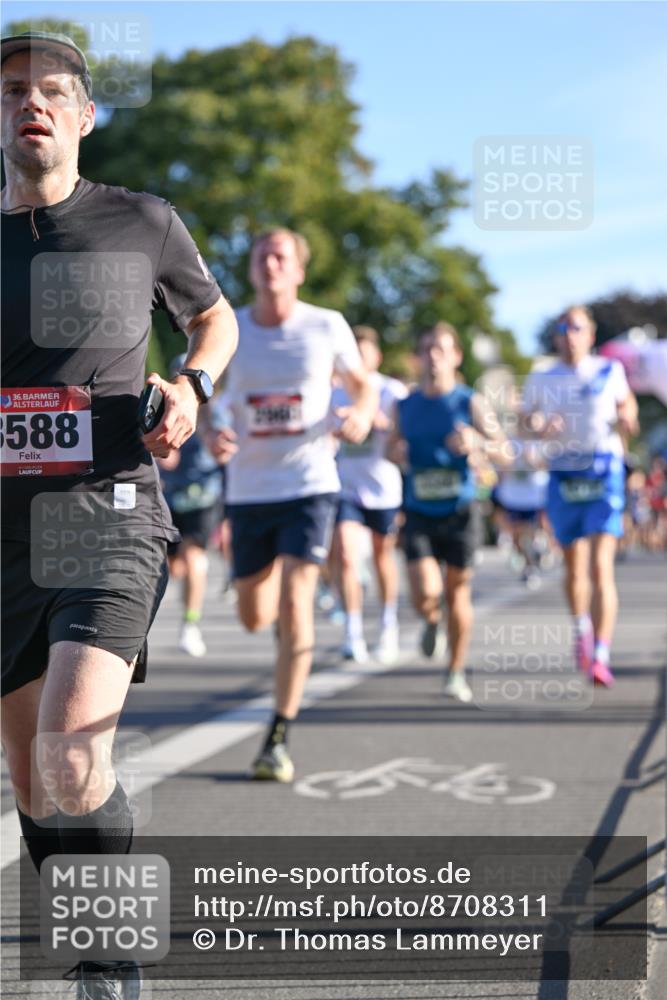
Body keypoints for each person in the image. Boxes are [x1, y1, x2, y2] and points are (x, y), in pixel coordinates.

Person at [0, 31, 238, 996]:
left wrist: (191, 386)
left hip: (110, 508)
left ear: (86, 117)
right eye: (14, 89)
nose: (33, 101)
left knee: (67, 747)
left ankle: (114, 964)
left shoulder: (141, 221)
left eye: (54, 89)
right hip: (5, 538)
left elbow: (213, 318)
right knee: (35, 783)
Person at [208, 227, 376, 782]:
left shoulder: (326, 325)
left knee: (299, 603)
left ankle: (278, 735)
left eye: (281, 256)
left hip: (310, 484)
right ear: (252, 269)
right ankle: (272, 603)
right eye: (261, 255)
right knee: (257, 616)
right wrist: (213, 431)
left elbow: (362, 384)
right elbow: (205, 395)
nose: (271, 263)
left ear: (299, 270)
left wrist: (359, 414)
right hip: (249, 490)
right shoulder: (230, 326)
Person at [388, 322, 509, 702]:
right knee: (425, 591)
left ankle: (455, 671)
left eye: (441, 348)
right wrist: (397, 452)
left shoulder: (470, 401)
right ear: (418, 357)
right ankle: (430, 619)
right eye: (427, 349)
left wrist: (477, 442)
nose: (433, 356)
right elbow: (389, 448)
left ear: (456, 356)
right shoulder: (404, 405)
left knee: (458, 593)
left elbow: (505, 451)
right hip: (419, 509)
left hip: (461, 509)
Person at [522, 305, 639, 687]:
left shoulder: (609, 370)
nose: (569, 334)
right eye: (562, 328)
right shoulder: (542, 377)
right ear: (556, 336)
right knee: (574, 567)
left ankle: (601, 653)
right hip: (564, 474)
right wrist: (539, 425)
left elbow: (627, 405)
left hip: (603, 471)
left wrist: (627, 419)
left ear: (590, 335)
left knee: (600, 566)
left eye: (577, 328)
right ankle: (581, 630)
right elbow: (526, 420)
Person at [330, 325, 407, 663]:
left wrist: (381, 425)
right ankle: (353, 631)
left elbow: (406, 435)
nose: (358, 360)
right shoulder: (333, 392)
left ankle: (388, 625)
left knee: (381, 557)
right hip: (346, 488)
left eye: (364, 353)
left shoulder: (392, 391)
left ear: (377, 356)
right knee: (346, 554)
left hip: (384, 489)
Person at [158, 354, 225, 657]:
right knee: (175, 567)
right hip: (170, 497)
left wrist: (217, 444)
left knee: (194, 557)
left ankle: (190, 626)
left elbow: (224, 451)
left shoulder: (216, 412)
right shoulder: (161, 407)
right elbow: (160, 454)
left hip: (204, 497)